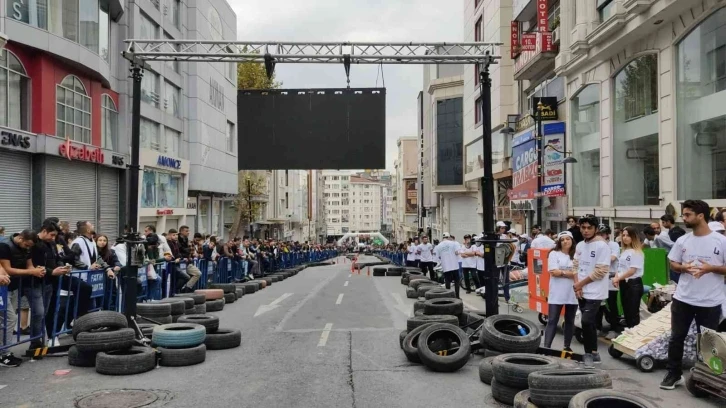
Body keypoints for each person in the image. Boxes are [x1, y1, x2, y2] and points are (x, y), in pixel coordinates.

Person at [660, 200, 726, 390]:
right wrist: (684, 268)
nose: (684, 218)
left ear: (700, 216)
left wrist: (710, 268)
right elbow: (673, 263)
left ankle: (707, 378)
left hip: (710, 301)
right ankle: (674, 374)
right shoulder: (683, 240)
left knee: (707, 341)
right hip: (683, 298)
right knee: (676, 337)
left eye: (688, 214)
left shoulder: (720, 241)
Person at [572, 214, 611, 368]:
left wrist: (580, 284)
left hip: (595, 291)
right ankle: (592, 354)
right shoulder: (580, 245)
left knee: (587, 321)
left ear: (595, 229)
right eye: (583, 227)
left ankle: (590, 353)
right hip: (581, 290)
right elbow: (575, 265)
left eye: (589, 228)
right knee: (587, 324)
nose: (586, 231)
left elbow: (600, 271)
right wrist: (577, 285)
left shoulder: (602, 246)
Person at [0, 230, 45, 351]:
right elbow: (7, 269)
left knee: (8, 320)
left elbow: (29, 265)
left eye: (30, 246)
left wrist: (37, 270)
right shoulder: (5, 246)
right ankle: (4, 351)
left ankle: (5, 351)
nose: (28, 248)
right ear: (20, 238)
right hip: (5, 288)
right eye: (26, 245)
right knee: (9, 319)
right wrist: (31, 271)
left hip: (14, 286)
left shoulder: (27, 248)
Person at [543, 231, 578, 351]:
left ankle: (567, 346)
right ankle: (546, 347)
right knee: (552, 320)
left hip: (572, 293)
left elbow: (580, 274)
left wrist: (562, 272)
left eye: (568, 239)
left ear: (572, 240)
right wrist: (571, 274)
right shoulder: (554, 254)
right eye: (562, 240)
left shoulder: (577, 255)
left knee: (570, 320)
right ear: (559, 242)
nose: (565, 242)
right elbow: (554, 272)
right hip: (557, 292)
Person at [612, 226, 644, 329]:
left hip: (633, 284)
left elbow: (632, 270)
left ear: (633, 237)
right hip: (624, 283)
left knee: (632, 313)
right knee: (626, 311)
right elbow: (620, 267)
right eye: (624, 235)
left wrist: (618, 278)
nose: (625, 238)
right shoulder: (624, 251)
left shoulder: (637, 252)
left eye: (628, 235)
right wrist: (617, 277)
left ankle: (634, 337)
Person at [597, 224, 622, 339]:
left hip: (611, 280)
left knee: (612, 304)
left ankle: (615, 328)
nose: (601, 236)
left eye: (603, 234)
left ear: (607, 234)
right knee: (598, 305)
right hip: (599, 279)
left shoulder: (614, 245)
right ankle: (598, 327)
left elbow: (612, 258)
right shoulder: (595, 245)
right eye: (599, 234)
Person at [433, 233, 463, 299]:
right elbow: (457, 252)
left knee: (447, 281)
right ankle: (457, 296)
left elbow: (436, 258)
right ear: (448, 237)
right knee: (457, 281)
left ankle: (448, 296)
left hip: (446, 266)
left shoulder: (438, 246)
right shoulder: (454, 243)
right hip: (454, 265)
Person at [177, 226, 202, 292]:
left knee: (197, 273)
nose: (188, 233)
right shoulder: (178, 240)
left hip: (186, 262)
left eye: (188, 231)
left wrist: (188, 256)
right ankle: (181, 289)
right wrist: (184, 257)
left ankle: (187, 288)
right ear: (181, 231)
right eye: (186, 231)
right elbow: (179, 251)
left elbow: (187, 251)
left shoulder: (186, 239)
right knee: (189, 275)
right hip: (181, 261)